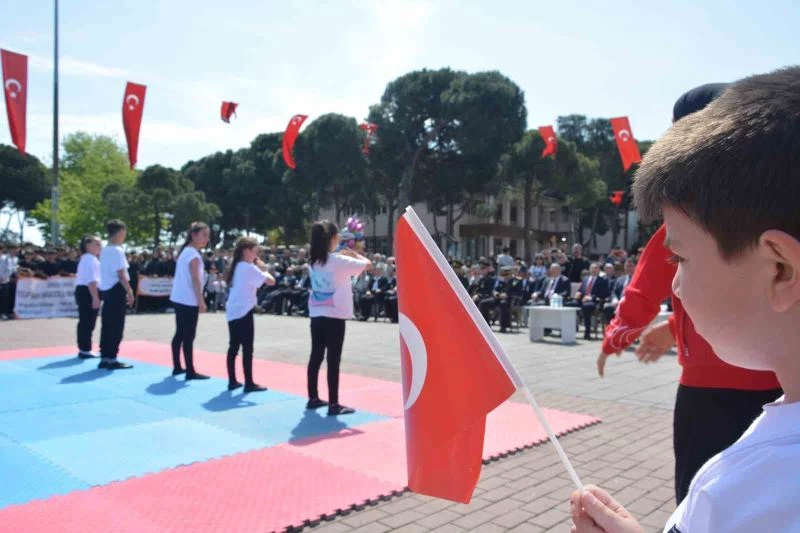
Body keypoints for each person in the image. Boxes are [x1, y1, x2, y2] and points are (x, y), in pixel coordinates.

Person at [570, 67, 800, 532]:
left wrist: (619, 336)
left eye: (681, 260)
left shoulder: (735, 496)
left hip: (708, 390)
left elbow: (642, 290)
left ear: (780, 268)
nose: (676, 284)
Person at [306, 220, 371, 416]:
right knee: (333, 359)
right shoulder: (337, 261)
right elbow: (367, 265)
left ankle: (313, 398)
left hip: (317, 313)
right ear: (332, 239)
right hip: (334, 316)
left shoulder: (313, 261)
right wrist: (354, 254)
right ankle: (334, 403)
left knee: (316, 356)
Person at [225, 237, 276, 392]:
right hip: (244, 311)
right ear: (246, 251)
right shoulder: (248, 267)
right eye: (255, 251)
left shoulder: (236, 267)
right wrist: (262, 267)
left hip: (233, 310)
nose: (257, 254)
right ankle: (249, 382)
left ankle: (232, 381)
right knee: (247, 348)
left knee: (233, 346)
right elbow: (271, 281)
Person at [169, 222, 211, 380]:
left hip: (179, 297)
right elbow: (195, 280)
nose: (206, 239)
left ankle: (178, 366)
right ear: (194, 235)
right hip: (188, 299)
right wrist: (201, 301)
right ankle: (190, 370)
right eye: (204, 235)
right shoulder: (193, 254)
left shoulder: (185, 252)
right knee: (188, 335)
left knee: (180, 333)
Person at [98, 220, 135, 370]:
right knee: (117, 325)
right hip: (116, 289)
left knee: (107, 324)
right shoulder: (117, 250)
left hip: (106, 289)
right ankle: (112, 357)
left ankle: (105, 356)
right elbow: (121, 274)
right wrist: (130, 291)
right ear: (120, 232)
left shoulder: (104, 250)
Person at [74, 235, 102, 359]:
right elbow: (92, 281)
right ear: (87, 245)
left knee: (85, 320)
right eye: (96, 244)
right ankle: (85, 348)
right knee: (88, 321)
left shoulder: (87, 258)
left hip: (85, 291)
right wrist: (95, 297)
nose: (99, 246)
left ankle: (84, 347)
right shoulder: (90, 259)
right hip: (88, 291)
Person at [570, 262, 611, 340]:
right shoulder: (585, 279)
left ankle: (587, 332)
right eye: (592, 268)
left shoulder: (603, 280)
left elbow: (604, 293)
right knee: (570, 304)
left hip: (594, 302)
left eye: (596, 268)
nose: (593, 270)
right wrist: (578, 293)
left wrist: (591, 297)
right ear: (589, 269)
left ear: (599, 270)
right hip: (582, 299)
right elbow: (581, 290)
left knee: (586, 307)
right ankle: (569, 329)